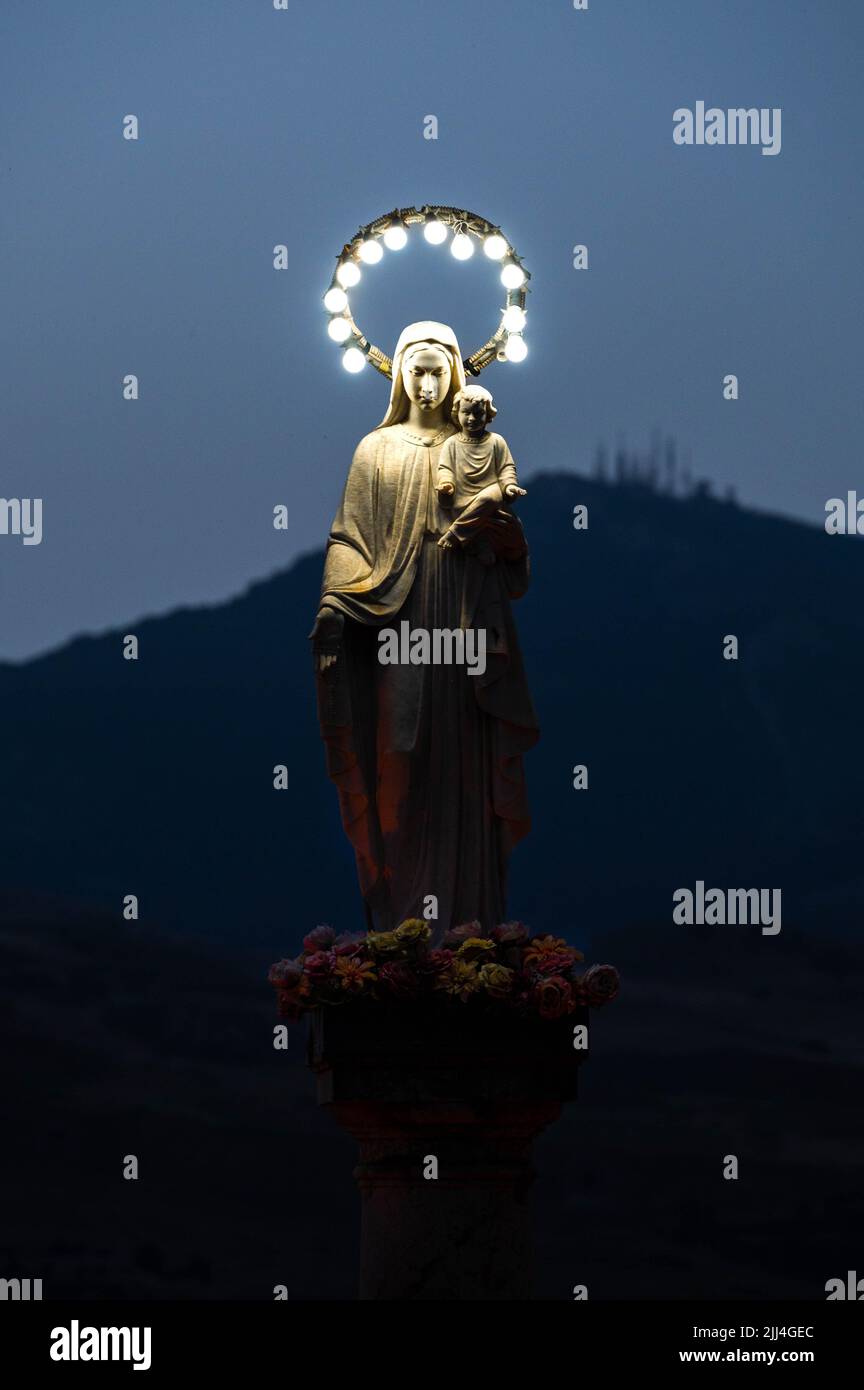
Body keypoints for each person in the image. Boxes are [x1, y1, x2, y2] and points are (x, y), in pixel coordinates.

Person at [309, 322, 538, 938]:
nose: (430, 383)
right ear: (400, 376)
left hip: (465, 613)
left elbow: (514, 561)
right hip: (400, 620)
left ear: (459, 376)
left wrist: (504, 539)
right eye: (419, 371)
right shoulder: (376, 451)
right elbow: (350, 537)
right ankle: (403, 922)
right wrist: (336, 601)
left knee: (465, 760)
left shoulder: (483, 447)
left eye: (441, 371)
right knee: (400, 755)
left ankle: (471, 926)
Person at [437, 384, 527, 562]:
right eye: (466, 413)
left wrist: (510, 486)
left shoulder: (496, 441)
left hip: (492, 495)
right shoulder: (452, 443)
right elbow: (445, 468)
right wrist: (446, 484)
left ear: (488, 415)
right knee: (471, 512)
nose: (472, 418)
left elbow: (506, 468)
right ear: (457, 413)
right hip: (462, 497)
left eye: (478, 414)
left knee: (490, 498)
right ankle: (478, 543)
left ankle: (456, 534)